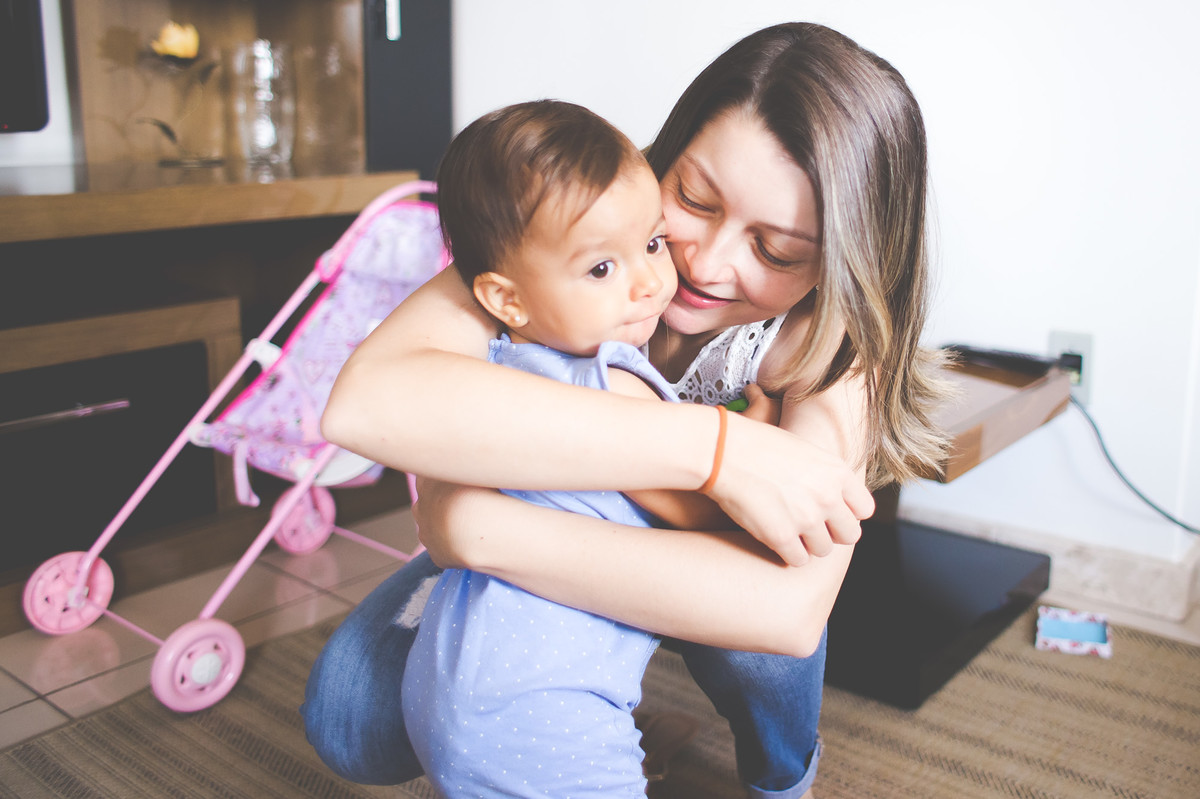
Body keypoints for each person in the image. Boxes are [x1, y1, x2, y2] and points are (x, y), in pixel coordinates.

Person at [304, 21, 948, 799]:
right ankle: (585, 710)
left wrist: (479, 529)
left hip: (651, 557)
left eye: (776, 251)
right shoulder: (586, 216)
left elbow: (786, 612)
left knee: (758, 654)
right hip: (574, 517)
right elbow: (366, 403)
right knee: (348, 713)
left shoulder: (832, 339)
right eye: (694, 198)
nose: (703, 263)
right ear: (663, 158)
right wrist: (718, 449)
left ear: (845, 259)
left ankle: (785, 773)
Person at [402, 98, 739, 797]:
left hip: (451, 682)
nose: (650, 281)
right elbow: (704, 509)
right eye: (600, 270)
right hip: (547, 713)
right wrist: (753, 436)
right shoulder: (613, 385)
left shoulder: (496, 363)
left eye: (651, 244)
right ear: (509, 298)